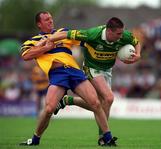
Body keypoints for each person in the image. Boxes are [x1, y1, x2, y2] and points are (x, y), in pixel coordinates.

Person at [19, 11, 117, 146]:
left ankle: (108, 138)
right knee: (48, 109)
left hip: (74, 71)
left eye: (51, 18)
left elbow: (84, 39)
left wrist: (104, 40)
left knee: (96, 103)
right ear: (39, 24)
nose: (50, 21)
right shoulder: (33, 40)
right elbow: (26, 55)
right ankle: (35, 140)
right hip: (57, 74)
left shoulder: (62, 32)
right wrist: (45, 47)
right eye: (47, 19)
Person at [46, 17, 141, 145]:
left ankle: (68, 100)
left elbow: (136, 42)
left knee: (100, 105)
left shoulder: (124, 36)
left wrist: (138, 55)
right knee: (108, 98)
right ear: (109, 31)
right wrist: (47, 40)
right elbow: (66, 34)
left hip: (107, 70)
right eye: (118, 34)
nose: (121, 36)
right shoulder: (92, 34)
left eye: (121, 33)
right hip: (92, 68)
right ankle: (104, 138)